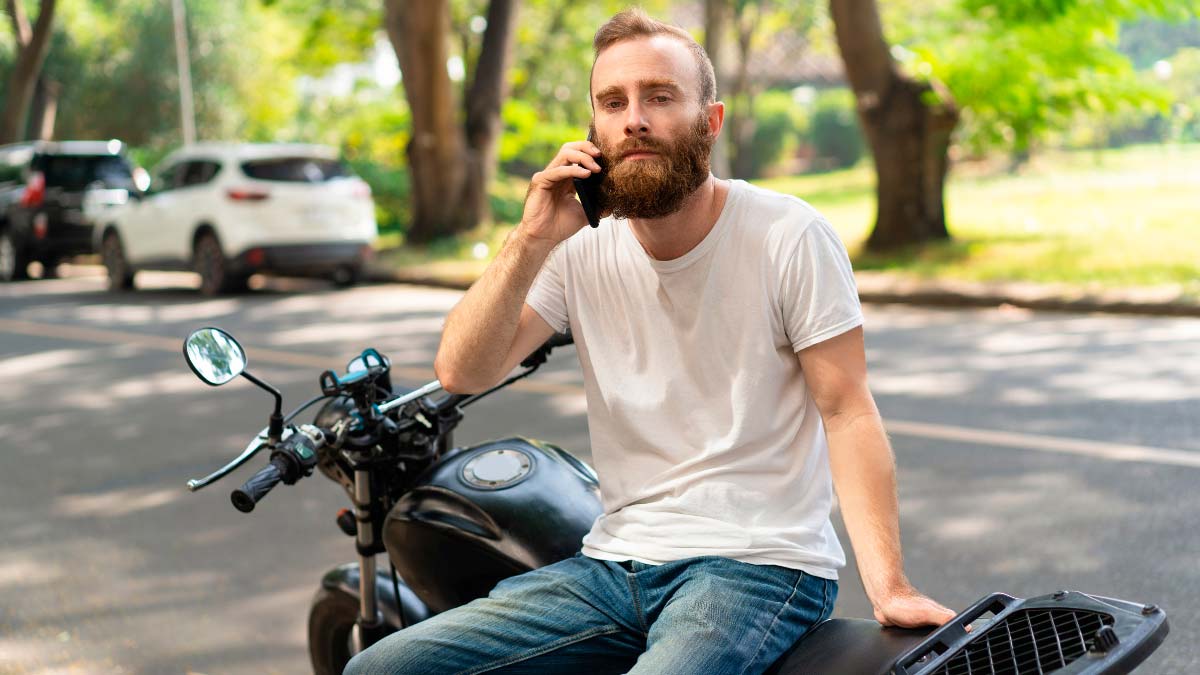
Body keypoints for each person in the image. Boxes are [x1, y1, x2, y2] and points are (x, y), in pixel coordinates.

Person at [345, 8, 954, 675]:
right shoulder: (578, 248)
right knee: (379, 668)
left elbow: (847, 410)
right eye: (613, 102)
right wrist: (530, 239)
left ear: (710, 121)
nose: (634, 117)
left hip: (755, 566)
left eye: (660, 97)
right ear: (595, 129)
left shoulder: (788, 235)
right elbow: (463, 369)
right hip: (613, 565)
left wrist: (889, 585)